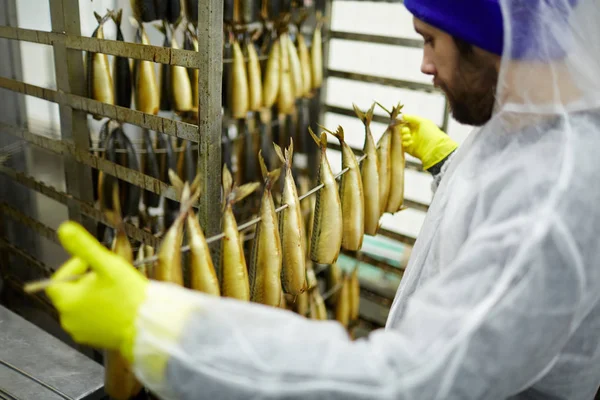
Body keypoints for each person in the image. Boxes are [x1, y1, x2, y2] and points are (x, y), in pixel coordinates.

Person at [45, 0, 600, 399]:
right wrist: (451, 165)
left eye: (431, 39)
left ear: (491, 43)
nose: (424, 66)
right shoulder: (529, 117)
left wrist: (166, 332)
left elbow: (407, 383)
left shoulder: (554, 201)